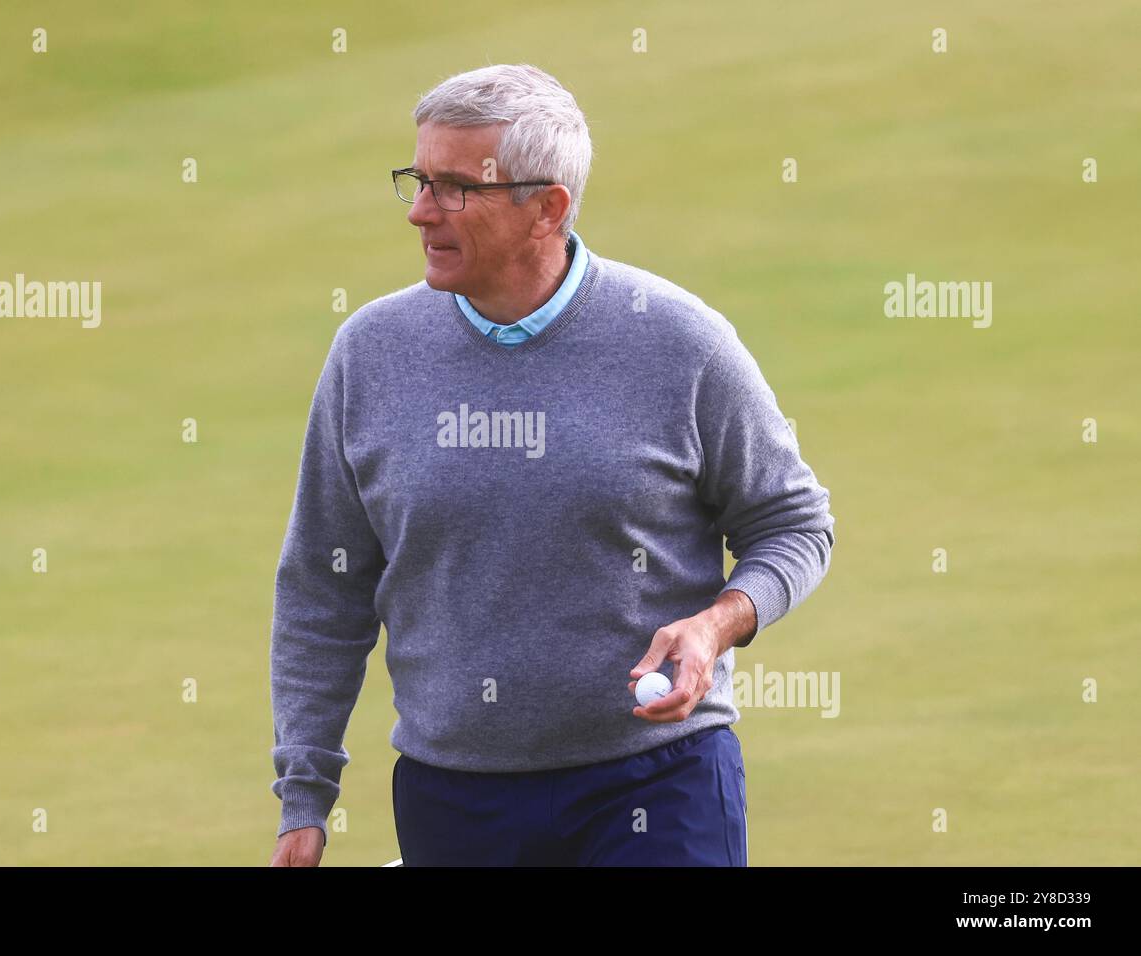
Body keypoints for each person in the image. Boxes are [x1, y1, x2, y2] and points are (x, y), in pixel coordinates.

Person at [268, 63, 835, 867]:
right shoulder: (371, 353)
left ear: (548, 207)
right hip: (454, 797)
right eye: (418, 180)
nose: (422, 212)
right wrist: (304, 797)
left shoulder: (680, 343)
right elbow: (324, 588)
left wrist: (717, 625)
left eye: (457, 187)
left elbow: (794, 524)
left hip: (658, 782)